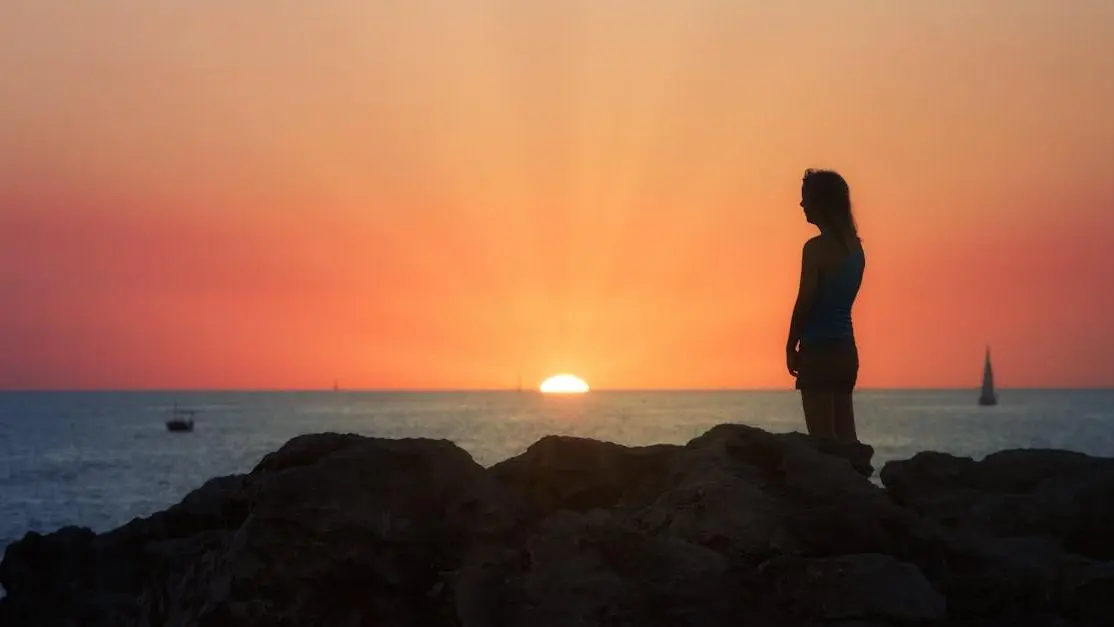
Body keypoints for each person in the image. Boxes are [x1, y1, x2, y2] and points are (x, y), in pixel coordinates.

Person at [785, 169, 865, 442]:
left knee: (824, 444)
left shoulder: (815, 248)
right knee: (847, 441)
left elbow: (806, 300)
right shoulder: (856, 249)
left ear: (821, 203)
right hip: (846, 352)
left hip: (819, 352)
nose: (801, 204)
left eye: (805, 198)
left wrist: (790, 345)